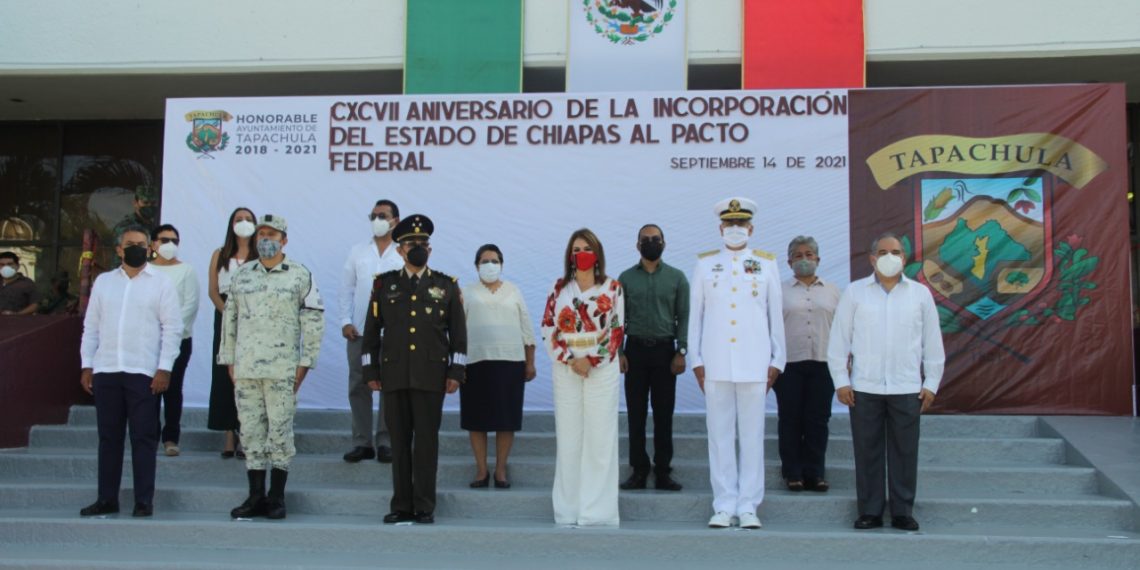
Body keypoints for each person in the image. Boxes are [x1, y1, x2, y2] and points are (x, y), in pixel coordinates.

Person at [827, 232, 945, 532]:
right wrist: (841, 380)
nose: (889, 257)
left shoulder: (920, 294)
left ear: (904, 258)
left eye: (896, 252)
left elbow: (932, 342)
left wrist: (931, 382)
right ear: (872, 258)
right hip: (864, 387)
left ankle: (903, 511)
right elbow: (839, 340)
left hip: (907, 387)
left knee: (905, 451)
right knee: (867, 450)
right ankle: (870, 511)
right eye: (882, 252)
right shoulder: (855, 292)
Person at [688, 197, 785, 530]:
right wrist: (696, 359)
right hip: (715, 362)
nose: (735, 229)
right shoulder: (705, 264)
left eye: (740, 223)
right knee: (719, 435)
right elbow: (696, 316)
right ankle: (724, 503)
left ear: (751, 228)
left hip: (755, 362)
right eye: (729, 224)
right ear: (720, 228)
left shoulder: (766, 264)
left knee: (753, 436)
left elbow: (775, 315)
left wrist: (778, 359)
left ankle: (748, 506)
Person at [363, 214, 466, 525]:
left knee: (426, 443)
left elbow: (459, 334)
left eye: (422, 243)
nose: (417, 248)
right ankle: (401, 505)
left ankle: (424, 505)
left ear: (430, 250)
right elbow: (371, 332)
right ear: (400, 250)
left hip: (431, 375)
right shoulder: (384, 284)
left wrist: (456, 372)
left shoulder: (446, 285)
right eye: (411, 244)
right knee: (398, 442)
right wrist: (370, 371)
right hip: (394, 374)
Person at [220, 214, 324, 520]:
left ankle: (276, 497)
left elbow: (313, 320)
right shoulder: (242, 275)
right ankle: (255, 496)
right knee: (251, 432)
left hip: (282, 369)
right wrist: (228, 359)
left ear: (284, 240)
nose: (266, 239)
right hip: (247, 368)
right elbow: (230, 319)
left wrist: (305, 363)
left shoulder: (299, 274)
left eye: (273, 234)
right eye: (262, 233)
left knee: (280, 432)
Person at [78, 225, 183, 518]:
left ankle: (143, 501)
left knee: (143, 438)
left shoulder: (161, 283)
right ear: (119, 250)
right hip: (107, 369)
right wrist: (87, 364)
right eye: (129, 244)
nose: (136, 248)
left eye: (141, 243)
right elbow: (91, 326)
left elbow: (172, 329)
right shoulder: (104, 282)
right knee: (109, 438)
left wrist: (164, 368)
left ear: (150, 248)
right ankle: (106, 499)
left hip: (143, 372)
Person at [540, 228, 624, 527]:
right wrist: (570, 358)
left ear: (597, 253)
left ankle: (597, 512)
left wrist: (591, 360)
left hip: (601, 369)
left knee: (600, 438)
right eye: (576, 250)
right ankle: (568, 510)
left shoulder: (613, 288)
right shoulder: (558, 288)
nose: (582, 254)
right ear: (569, 255)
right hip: (566, 369)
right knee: (569, 438)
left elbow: (616, 329)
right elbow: (548, 326)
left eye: (587, 248)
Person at [617, 224, 689, 492]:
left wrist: (681, 351)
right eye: (645, 240)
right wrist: (619, 352)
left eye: (656, 239)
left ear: (664, 243)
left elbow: (684, 316)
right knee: (635, 414)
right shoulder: (625, 279)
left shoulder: (677, 278)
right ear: (637, 245)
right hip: (634, 351)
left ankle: (662, 472)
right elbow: (617, 319)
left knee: (663, 414)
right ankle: (638, 470)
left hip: (665, 353)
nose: (651, 243)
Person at [461, 244, 537, 489]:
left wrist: (530, 361)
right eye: (484, 261)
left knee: (507, 419)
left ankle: (501, 470)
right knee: (476, 419)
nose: (490, 265)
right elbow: (457, 331)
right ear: (476, 265)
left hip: (510, 362)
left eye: (494, 261)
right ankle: (481, 470)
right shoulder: (466, 292)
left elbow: (526, 327)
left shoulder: (514, 291)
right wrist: (456, 364)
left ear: (502, 265)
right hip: (475, 362)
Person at [339, 199, 403, 464]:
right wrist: (346, 320)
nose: (377, 220)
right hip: (361, 332)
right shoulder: (358, 251)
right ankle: (361, 442)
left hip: (394, 332)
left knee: (390, 386)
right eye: (374, 215)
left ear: (396, 220)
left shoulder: (403, 252)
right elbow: (347, 288)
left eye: (383, 215)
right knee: (359, 384)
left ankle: (386, 441)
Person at [775, 235, 841, 492]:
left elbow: (842, 328)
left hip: (824, 362)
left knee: (818, 420)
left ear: (818, 259)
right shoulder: (778, 291)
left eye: (809, 255)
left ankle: (815, 473)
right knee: (790, 419)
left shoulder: (833, 291)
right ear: (789, 262)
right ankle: (792, 473)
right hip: (788, 363)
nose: (804, 259)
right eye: (798, 256)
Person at [208, 207, 258, 458]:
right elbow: (213, 290)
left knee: (248, 375)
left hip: (254, 316)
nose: (244, 222)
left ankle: (247, 431)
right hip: (225, 313)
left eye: (248, 219)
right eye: (239, 219)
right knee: (225, 373)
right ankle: (229, 433)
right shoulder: (220, 254)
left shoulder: (261, 254)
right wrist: (228, 313)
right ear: (231, 224)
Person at [149, 224, 200, 457]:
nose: (170, 245)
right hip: (149, 339)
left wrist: (171, 329)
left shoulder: (186, 270)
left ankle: (170, 438)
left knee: (172, 387)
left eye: (174, 241)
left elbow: (191, 305)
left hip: (179, 338)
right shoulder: (145, 270)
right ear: (153, 244)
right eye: (164, 240)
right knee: (149, 389)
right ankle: (150, 435)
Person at [110, 185, 159, 266]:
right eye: (145, 202)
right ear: (135, 203)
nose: (149, 206)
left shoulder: (153, 227)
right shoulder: (125, 227)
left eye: (153, 203)